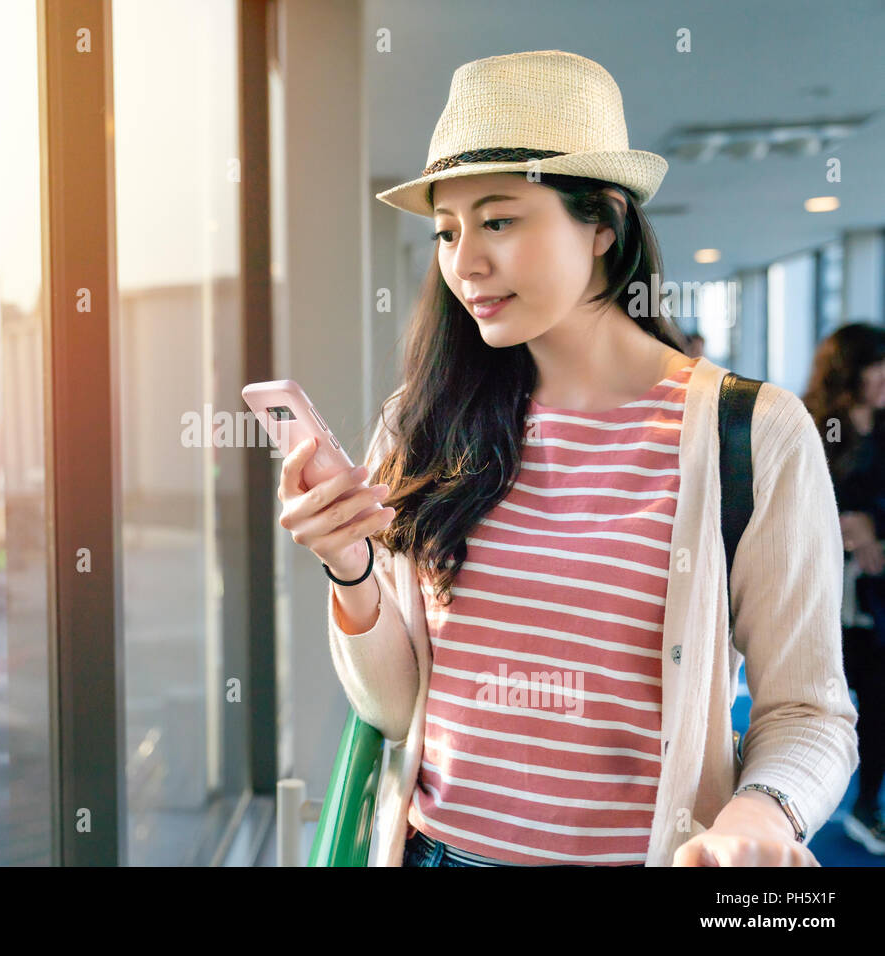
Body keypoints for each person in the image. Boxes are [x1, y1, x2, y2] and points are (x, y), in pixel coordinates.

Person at [279, 50, 856, 867]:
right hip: (435, 854)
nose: (464, 262)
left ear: (603, 224)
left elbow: (810, 710)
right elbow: (400, 707)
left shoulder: (751, 433)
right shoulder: (423, 423)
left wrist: (761, 816)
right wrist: (349, 567)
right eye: (447, 230)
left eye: (499, 219)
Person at [804, 322, 885, 853]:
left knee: (878, 701)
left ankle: (864, 805)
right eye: (875, 365)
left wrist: (871, 526)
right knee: (813, 705)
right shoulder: (819, 425)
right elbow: (793, 500)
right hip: (824, 596)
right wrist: (845, 522)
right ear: (849, 372)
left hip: (875, 594)